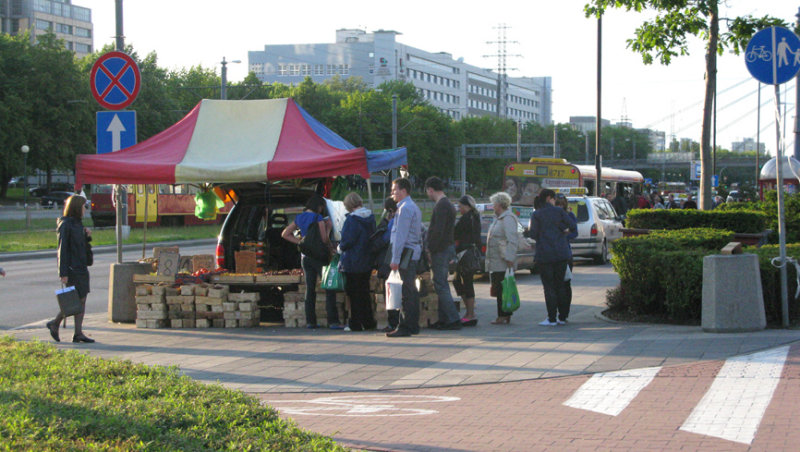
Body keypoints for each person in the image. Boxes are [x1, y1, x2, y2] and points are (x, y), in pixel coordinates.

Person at [281, 194, 342, 329]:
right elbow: (324, 239)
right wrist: (329, 227)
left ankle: (310, 321)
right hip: (319, 257)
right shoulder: (317, 217)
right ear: (319, 206)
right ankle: (333, 321)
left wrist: (301, 243)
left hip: (305, 257)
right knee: (328, 286)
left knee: (310, 288)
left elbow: (285, 234)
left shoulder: (299, 218)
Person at [47, 195, 94, 343]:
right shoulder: (66, 224)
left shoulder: (78, 224)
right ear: (76, 207)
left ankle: (77, 332)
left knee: (82, 300)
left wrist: (87, 237)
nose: (85, 210)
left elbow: (82, 247)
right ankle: (55, 323)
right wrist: (63, 272)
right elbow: (62, 249)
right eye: (83, 206)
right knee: (74, 300)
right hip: (73, 268)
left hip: (81, 267)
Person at [529, 189, 577, 326]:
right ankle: (562, 317)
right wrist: (563, 231)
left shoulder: (537, 214)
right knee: (560, 285)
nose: (555, 200)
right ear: (549, 198)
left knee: (549, 287)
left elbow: (533, 234)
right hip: (561, 253)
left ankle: (551, 318)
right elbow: (572, 226)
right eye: (554, 198)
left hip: (545, 254)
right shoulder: (560, 211)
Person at [386, 177, 423, 338]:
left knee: (406, 292)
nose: (392, 193)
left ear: (403, 191)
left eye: (394, 190)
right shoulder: (410, 206)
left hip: (405, 253)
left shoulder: (405, 209)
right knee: (410, 290)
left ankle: (405, 325)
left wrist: (395, 259)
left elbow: (401, 236)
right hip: (410, 252)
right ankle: (412, 325)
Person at [424, 176, 461, 331]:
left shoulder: (441, 206)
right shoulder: (448, 204)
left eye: (427, 192)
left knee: (441, 284)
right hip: (446, 247)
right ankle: (444, 318)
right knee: (441, 284)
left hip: (440, 249)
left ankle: (452, 319)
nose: (427, 195)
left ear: (431, 190)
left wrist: (430, 249)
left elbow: (437, 231)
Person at [338, 192, 377, 332]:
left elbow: (347, 241)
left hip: (353, 261)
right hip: (366, 259)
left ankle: (355, 323)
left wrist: (339, 247)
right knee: (365, 292)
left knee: (353, 294)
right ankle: (369, 322)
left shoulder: (352, 220)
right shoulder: (371, 218)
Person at [486, 191, 520, 325]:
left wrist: (510, 258)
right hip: (496, 260)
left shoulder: (508, 218)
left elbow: (512, 240)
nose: (492, 206)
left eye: (494, 203)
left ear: (499, 204)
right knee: (499, 288)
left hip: (503, 260)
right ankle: (504, 314)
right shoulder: (499, 218)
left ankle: (503, 315)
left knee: (502, 289)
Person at [370, 197, 399, 332]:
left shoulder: (392, 222)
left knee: (391, 292)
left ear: (390, 210)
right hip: (398, 261)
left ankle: (393, 323)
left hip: (388, 262)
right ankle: (396, 321)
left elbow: (384, 240)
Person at [453, 195, 481, 326]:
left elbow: (456, 233)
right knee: (457, 280)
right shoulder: (474, 216)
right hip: (466, 253)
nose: (459, 209)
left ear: (467, 206)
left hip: (466, 254)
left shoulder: (468, 218)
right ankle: (469, 311)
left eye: (461, 206)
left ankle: (470, 313)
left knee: (466, 281)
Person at [554, 194, 578, 323]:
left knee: (565, 284)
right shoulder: (550, 216)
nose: (559, 206)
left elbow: (575, 232)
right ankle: (555, 311)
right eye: (557, 203)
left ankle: (564, 313)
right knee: (555, 285)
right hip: (553, 253)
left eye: (562, 204)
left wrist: (564, 236)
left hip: (565, 254)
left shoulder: (569, 216)